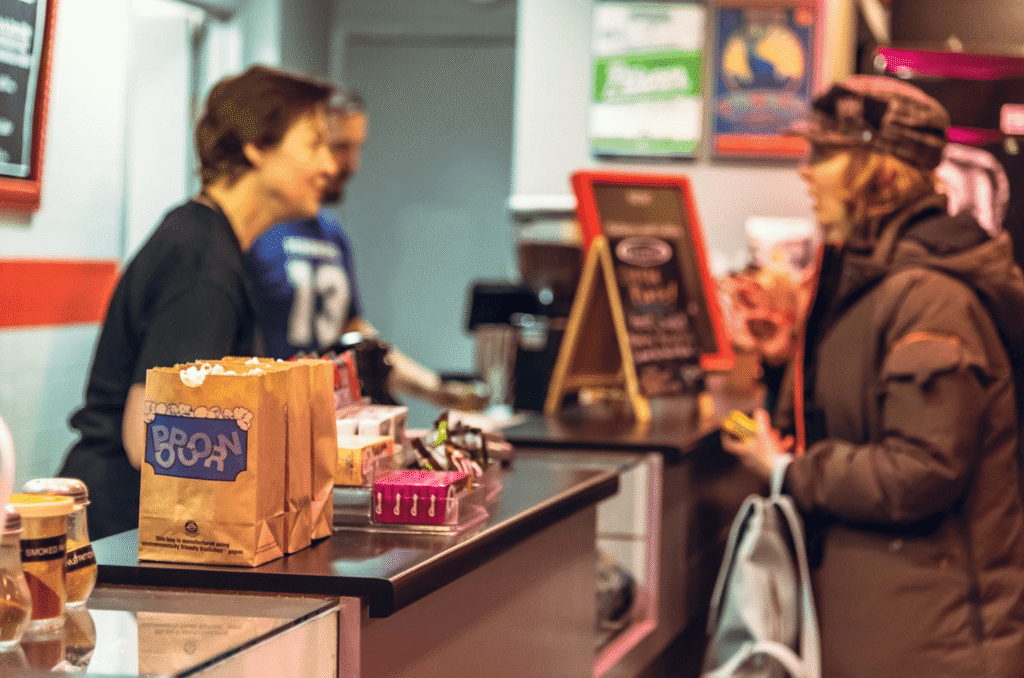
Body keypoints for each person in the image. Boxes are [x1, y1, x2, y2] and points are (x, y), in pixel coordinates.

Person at [722, 75, 1024, 678]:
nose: (806, 172)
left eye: (827, 155)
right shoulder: (869, 277)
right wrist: (787, 365)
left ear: (880, 174)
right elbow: (858, 414)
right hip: (888, 623)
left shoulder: (929, 294)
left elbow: (921, 470)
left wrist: (788, 472)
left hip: (933, 644)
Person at [59, 65, 338, 540]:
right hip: (124, 533)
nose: (329, 167)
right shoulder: (204, 263)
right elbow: (148, 435)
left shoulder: (212, 242)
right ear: (256, 146)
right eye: (314, 144)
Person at [247, 87, 487, 410]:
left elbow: (356, 336)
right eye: (340, 147)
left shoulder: (333, 234)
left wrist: (436, 390)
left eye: (357, 148)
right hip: (269, 416)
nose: (352, 165)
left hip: (329, 422)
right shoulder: (256, 231)